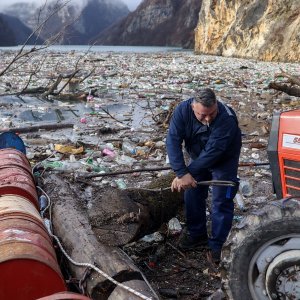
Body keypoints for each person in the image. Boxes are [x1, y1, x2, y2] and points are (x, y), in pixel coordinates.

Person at [166, 88, 241, 263]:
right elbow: (173, 140)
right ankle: (196, 233)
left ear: (216, 105)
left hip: (223, 158)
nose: (207, 119)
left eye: (211, 114)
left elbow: (213, 152)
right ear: (193, 107)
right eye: (202, 115)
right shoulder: (182, 111)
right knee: (192, 192)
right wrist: (181, 172)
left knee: (221, 200)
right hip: (197, 154)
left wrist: (187, 173)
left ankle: (218, 245)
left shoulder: (226, 118)